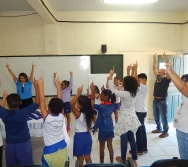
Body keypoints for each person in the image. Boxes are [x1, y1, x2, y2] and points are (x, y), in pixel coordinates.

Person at [0, 79, 39, 166]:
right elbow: (37, 103)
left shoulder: (3, 113)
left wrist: (4, 95)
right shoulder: (23, 112)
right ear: (20, 103)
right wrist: (37, 87)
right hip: (24, 144)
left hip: (10, 145)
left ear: (8, 105)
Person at [107, 67, 140, 166]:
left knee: (124, 140)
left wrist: (111, 76)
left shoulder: (125, 93)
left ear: (127, 84)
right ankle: (134, 159)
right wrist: (132, 71)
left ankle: (123, 159)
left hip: (125, 119)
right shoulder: (135, 91)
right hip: (132, 117)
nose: (122, 83)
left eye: (123, 82)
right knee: (132, 139)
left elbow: (111, 89)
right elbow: (134, 80)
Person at [38, 76, 70, 167]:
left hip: (50, 150)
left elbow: (41, 100)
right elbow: (60, 100)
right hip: (62, 146)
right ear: (61, 108)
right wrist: (58, 86)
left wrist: (41, 85)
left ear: (49, 108)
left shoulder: (47, 118)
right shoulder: (61, 116)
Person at [166, 62, 188, 159]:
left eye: (186, 81)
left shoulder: (185, 91)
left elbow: (181, 87)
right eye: (183, 81)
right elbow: (180, 82)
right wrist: (170, 69)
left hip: (186, 131)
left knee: (185, 158)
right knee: (183, 156)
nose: (183, 83)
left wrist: (169, 73)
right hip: (181, 128)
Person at [91, 83, 117, 163]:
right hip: (110, 127)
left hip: (103, 128)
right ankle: (111, 163)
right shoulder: (112, 105)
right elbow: (106, 101)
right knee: (110, 146)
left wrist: (92, 91)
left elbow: (92, 104)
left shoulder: (101, 106)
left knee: (102, 147)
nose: (100, 96)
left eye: (101, 95)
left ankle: (101, 163)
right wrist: (103, 91)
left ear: (106, 97)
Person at [128, 62, 149, 155]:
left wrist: (135, 69)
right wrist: (130, 72)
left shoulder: (144, 87)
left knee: (138, 130)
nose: (138, 81)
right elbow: (132, 82)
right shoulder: (139, 87)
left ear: (144, 80)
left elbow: (135, 81)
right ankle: (144, 147)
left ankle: (139, 148)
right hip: (140, 110)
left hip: (140, 111)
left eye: (139, 80)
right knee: (142, 129)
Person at [70, 85, 93, 167]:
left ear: (81, 105)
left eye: (78, 103)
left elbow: (71, 104)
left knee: (80, 159)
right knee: (88, 157)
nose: (76, 104)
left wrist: (78, 94)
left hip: (79, 137)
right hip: (87, 136)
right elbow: (90, 101)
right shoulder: (89, 113)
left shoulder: (79, 114)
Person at [152, 52, 171, 138]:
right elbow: (154, 68)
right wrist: (155, 59)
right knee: (156, 116)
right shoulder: (158, 78)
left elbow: (169, 71)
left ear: (164, 73)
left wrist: (166, 60)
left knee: (164, 117)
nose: (158, 73)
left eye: (160, 72)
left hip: (162, 101)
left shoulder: (167, 79)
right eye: (158, 72)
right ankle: (158, 128)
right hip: (155, 100)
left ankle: (165, 131)